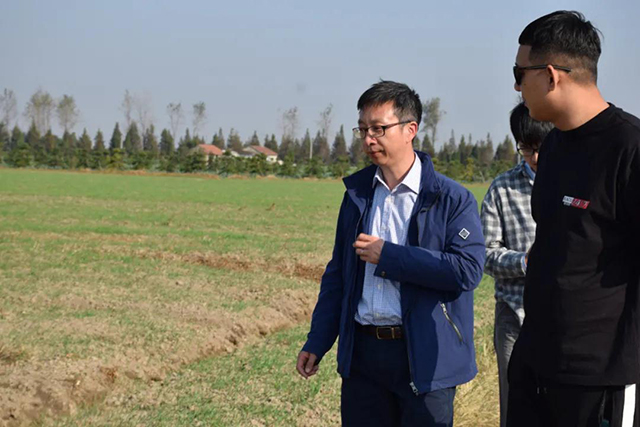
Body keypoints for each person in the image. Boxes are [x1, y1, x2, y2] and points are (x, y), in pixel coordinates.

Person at [295, 80, 485, 427]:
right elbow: (339, 274)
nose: (368, 139)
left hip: (425, 356)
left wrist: (389, 257)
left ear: (410, 129)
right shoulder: (358, 195)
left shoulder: (451, 199)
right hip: (364, 357)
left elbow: (466, 270)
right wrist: (318, 340)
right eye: (362, 129)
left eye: (379, 129)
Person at [507, 11, 640, 427]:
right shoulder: (553, 148)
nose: (516, 87)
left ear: (551, 75)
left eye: (519, 73)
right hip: (535, 361)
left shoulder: (629, 148)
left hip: (599, 376)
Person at [480, 102, 552, 427]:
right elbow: (485, 253)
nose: (534, 157)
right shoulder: (502, 189)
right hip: (514, 316)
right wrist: (524, 261)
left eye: (541, 147)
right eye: (526, 148)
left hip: (564, 319)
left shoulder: (574, 183)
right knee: (514, 406)